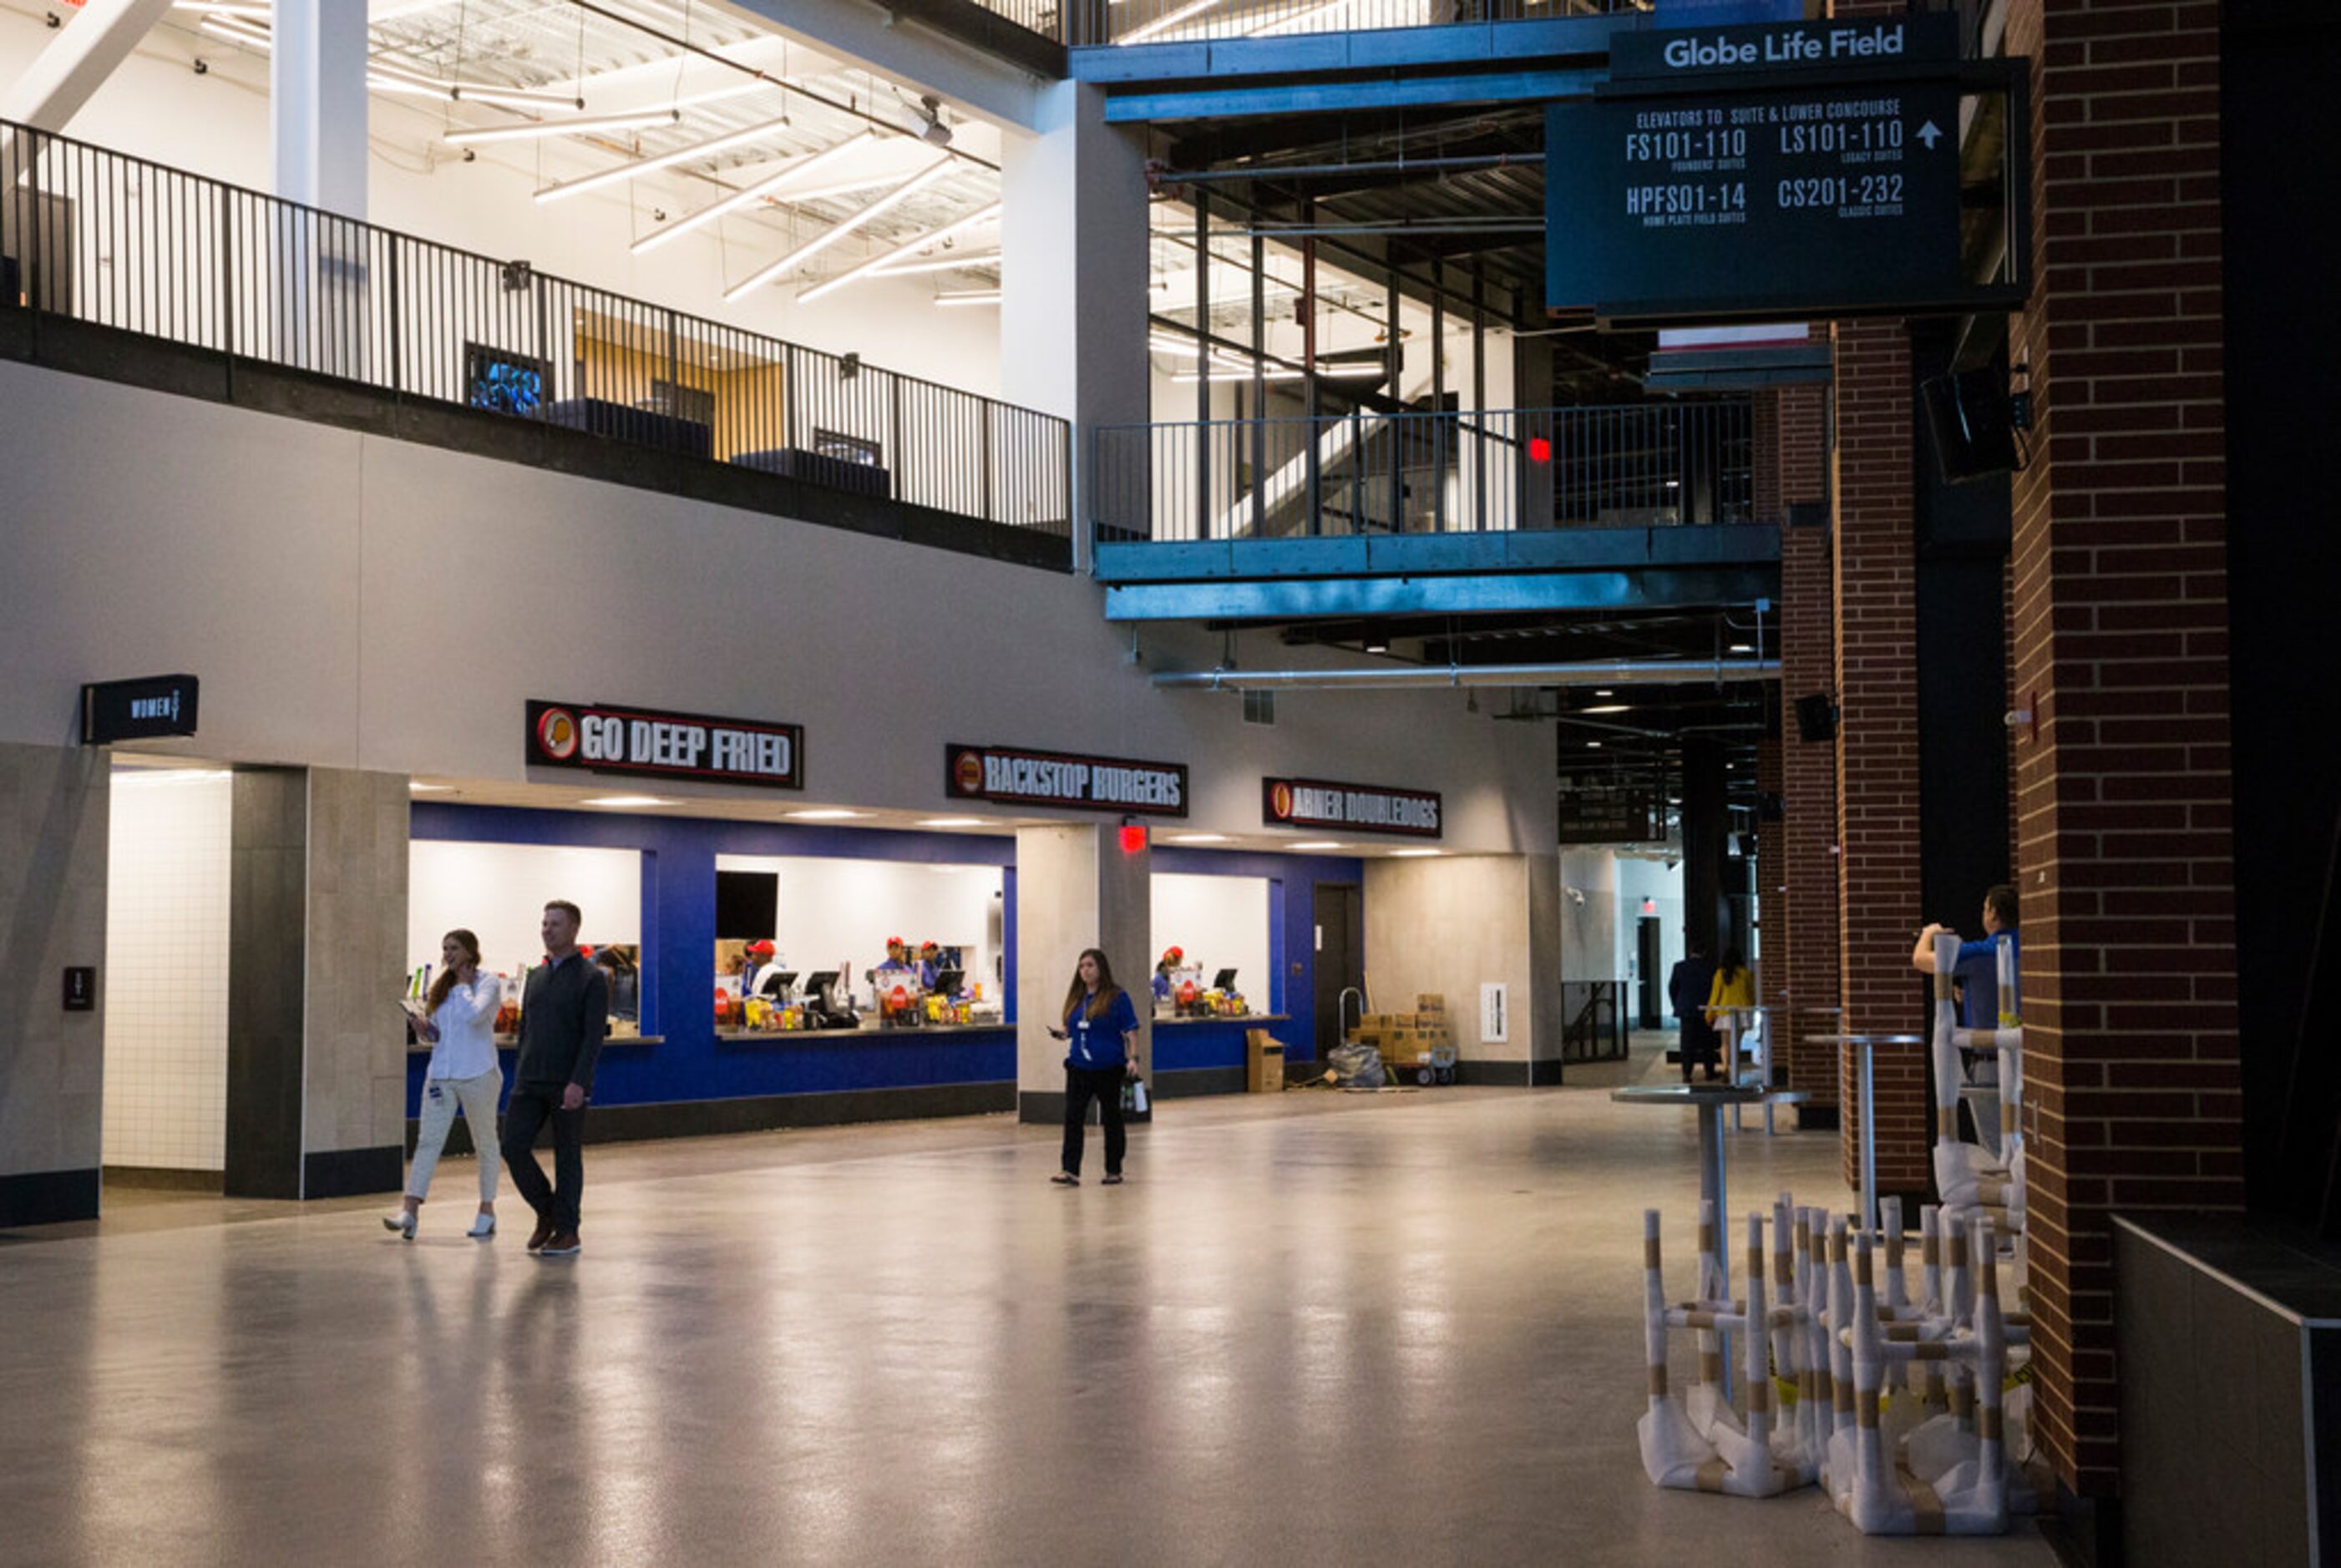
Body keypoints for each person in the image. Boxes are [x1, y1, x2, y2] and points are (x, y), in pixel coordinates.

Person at [501, 899, 607, 1258]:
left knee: (567, 1155)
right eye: (545, 924)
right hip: (529, 1080)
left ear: (574, 929)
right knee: (513, 1147)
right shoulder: (536, 975)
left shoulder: (592, 979)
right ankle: (546, 1211)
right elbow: (526, 1028)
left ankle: (567, 1231)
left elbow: (593, 1036)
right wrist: (520, 1070)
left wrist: (579, 1082)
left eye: (555, 924)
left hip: (567, 1083)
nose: (547, 930)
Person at [385, 928, 504, 1241]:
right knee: (428, 1141)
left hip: (478, 1074)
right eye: (445, 948)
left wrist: (464, 986)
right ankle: (410, 1210)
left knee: (485, 1142)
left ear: (470, 951)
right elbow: (438, 1036)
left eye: (454, 948)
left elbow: (474, 1017)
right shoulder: (442, 988)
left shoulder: (486, 983)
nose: (448, 954)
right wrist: (424, 1028)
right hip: (441, 1075)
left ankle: (486, 1209)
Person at [1047, 948, 1140, 1186]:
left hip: (1108, 1067)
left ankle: (1113, 1169)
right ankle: (1070, 1169)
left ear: (1101, 969)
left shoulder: (1117, 997)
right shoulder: (1077, 999)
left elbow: (1130, 1030)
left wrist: (1133, 1058)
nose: (1085, 971)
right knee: (1073, 1118)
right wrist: (1064, 1033)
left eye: (1090, 966)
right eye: (1081, 967)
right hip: (1079, 1066)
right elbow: (1075, 1028)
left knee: (1112, 1119)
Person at [1911, 883, 2022, 1029]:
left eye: (1985, 909)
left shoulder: (1981, 951)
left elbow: (1920, 960)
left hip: (1990, 1044)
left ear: (1993, 913)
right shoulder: (2030, 947)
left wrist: (1928, 932)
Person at [1668, 938, 1720, 1083]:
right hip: (1706, 1010)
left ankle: (1686, 1073)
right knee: (1707, 1043)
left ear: (1690, 952)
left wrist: (1677, 1004)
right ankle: (1709, 1072)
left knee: (1687, 1044)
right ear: (1704, 952)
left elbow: (1672, 988)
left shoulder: (1679, 967)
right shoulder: (1710, 967)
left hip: (1687, 1010)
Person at [1704, 946, 1756, 1082]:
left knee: (1725, 1043)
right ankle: (1736, 1069)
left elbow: (1715, 995)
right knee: (1736, 1043)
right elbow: (1751, 995)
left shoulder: (1720, 974)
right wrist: (1752, 1010)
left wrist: (1710, 1013)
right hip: (1742, 1012)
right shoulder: (1746, 974)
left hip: (1724, 1012)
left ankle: (1725, 1068)